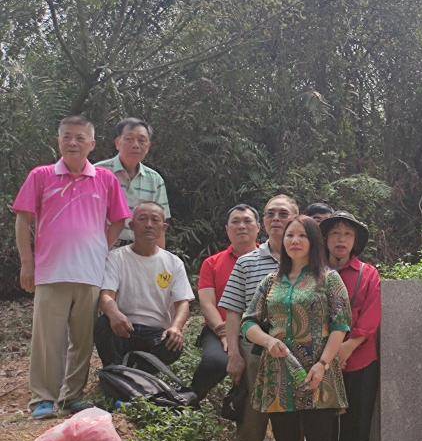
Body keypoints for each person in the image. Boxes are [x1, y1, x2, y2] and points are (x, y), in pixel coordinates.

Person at [12, 116, 131, 419]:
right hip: (51, 271)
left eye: (80, 137)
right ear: (59, 140)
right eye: (67, 137)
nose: (73, 142)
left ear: (92, 143)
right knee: (47, 339)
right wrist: (27, 263)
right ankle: (42, 398)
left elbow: (119, 218)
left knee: (82, 339)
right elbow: (23, 218)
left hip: (90, 272)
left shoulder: (105, 179)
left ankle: (71, 397)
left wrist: (101, 246)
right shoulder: (41, 175)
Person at [243, 215, 350, 441]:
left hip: (318, 372)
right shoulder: (270, 282)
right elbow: (249, 322)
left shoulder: (329, 279)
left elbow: (341, 323)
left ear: (313, 241)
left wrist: (323, 363)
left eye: (302, 235)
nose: (295, 240)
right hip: (278, 373)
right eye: (290, 235)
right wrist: (267, 341)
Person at [218, 194, 301, 441]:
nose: (276, 219)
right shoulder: (248, 262)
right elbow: (234, 311)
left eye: (284, 213)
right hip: (254, 355)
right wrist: (234, 354)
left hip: (294, 358)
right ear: (263, 222)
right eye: (270, 214)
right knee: (251, 428)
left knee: (290, 429)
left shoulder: (305, 261)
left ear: (297, 217)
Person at [322, 211, 382, 441]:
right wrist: (329, 353)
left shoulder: (368, 274)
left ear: (355, 240)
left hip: (360, 361)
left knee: (356, 429)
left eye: (347, 234)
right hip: (321, 364)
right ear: (325, 240)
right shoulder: (313, 273)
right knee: (323, 431)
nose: (341, 239)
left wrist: (349, 345)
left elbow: (372, 316)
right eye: (335, 234)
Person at [95, 202, 193, 367]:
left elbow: (182, 302)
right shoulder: (116, 257)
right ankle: (116, 371)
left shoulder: (173, 263)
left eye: (155, 220)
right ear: (132, 225)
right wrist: (114, 314)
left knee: (173, 345)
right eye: (142, 219)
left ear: (164, 227)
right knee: (103, 324)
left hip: (156, 333)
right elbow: (106, 295)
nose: (148, 225)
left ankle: (136, 375)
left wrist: (176, 327)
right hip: (124, 327)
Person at [192, 204, 261, 399]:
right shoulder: (212, 263)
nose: (241, 226)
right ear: (227, 229)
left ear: (258, 227)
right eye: (235, 222)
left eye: (247, 221)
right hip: (218, 329)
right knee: (215, 361)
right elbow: (206, 303)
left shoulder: (272, 261)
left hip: (258, 332)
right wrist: (224, 334)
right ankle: (191, 398)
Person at [97, 118, 170, 246]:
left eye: (141, 140)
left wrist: (158, 261)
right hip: (102, 250)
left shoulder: (155, 180)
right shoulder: (97, 173)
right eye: (129, 139)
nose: (135, 145)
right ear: (117, 143)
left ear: (148, 146)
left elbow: (158, 226)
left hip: (139, 253)